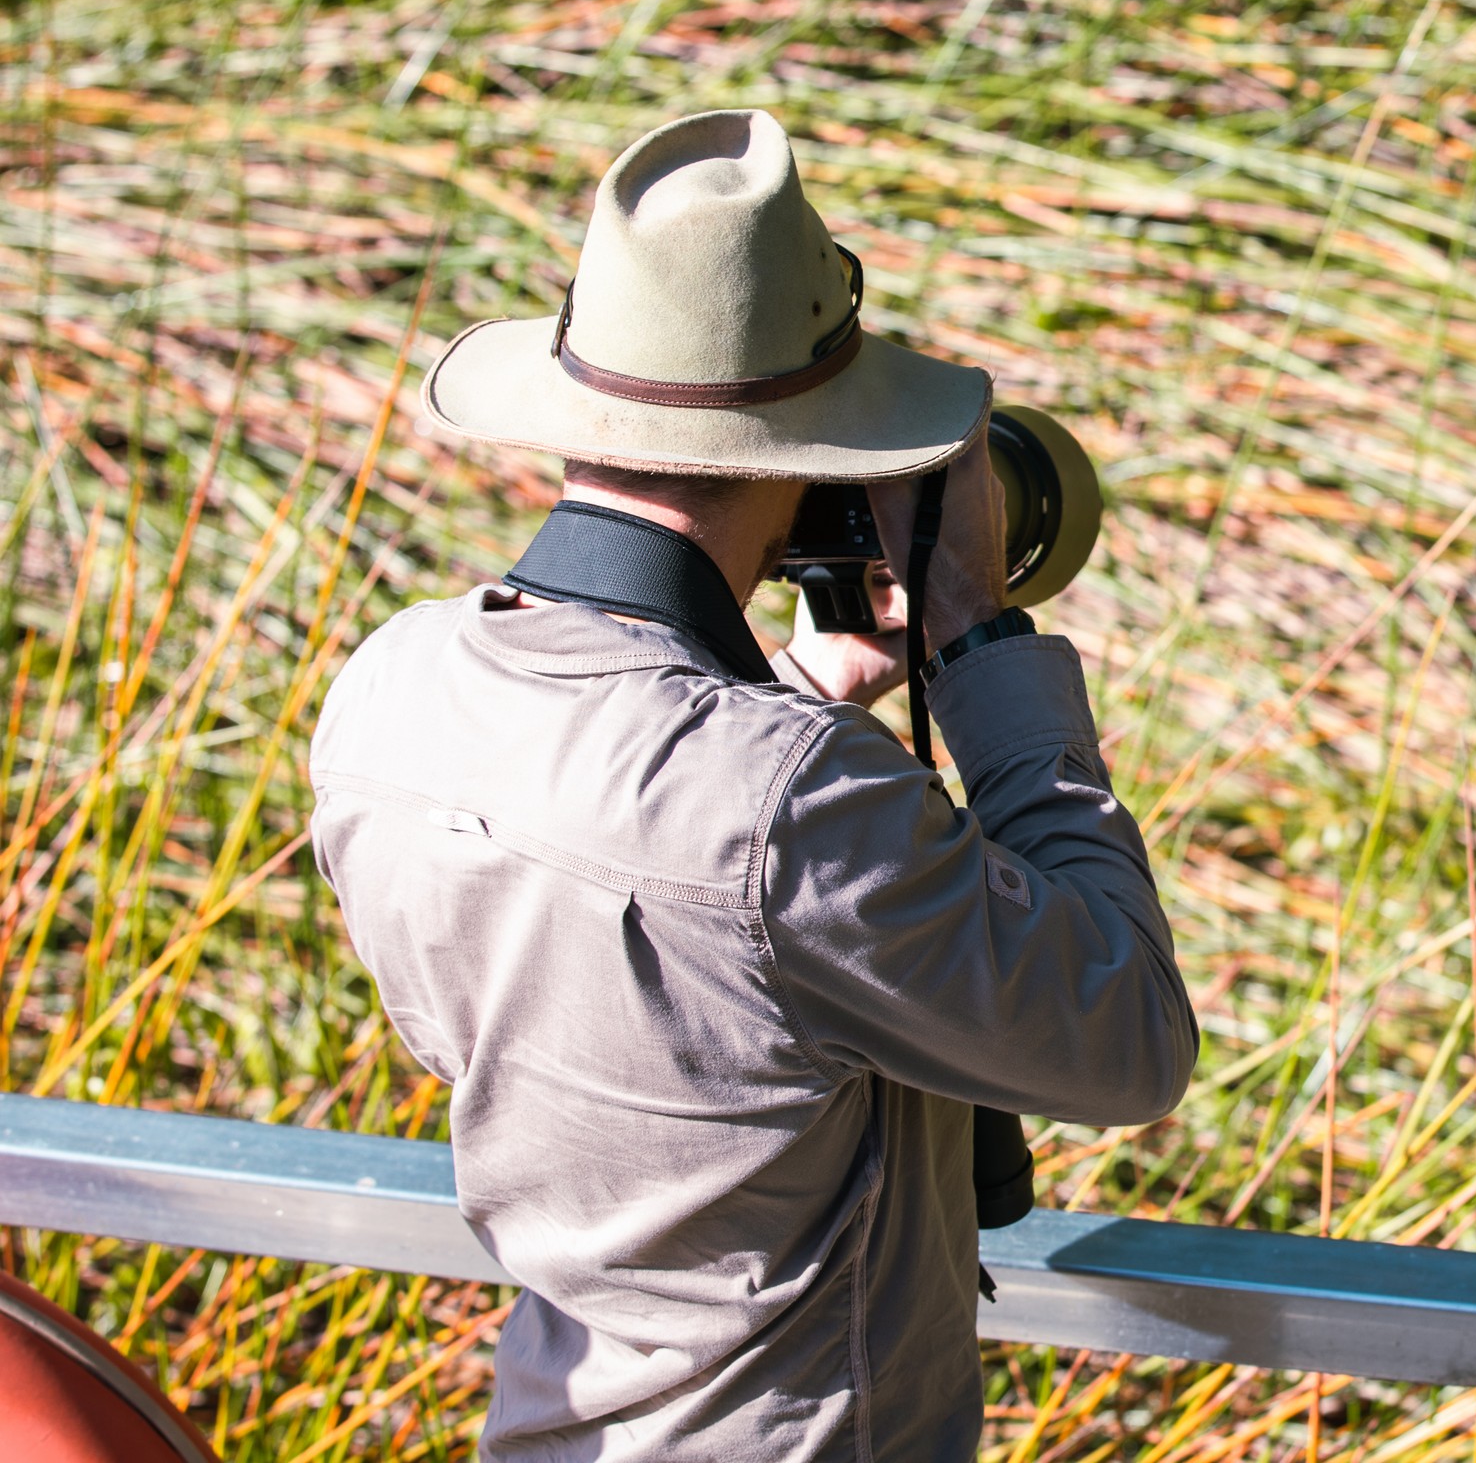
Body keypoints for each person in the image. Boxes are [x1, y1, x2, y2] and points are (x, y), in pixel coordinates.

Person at [310, 109, 1197, 1460]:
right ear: (812, 441)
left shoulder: (393, 688)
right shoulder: (783, 805)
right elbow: (1127, 1036)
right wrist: (972, 633)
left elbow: (629, 947)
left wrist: (804, 689)